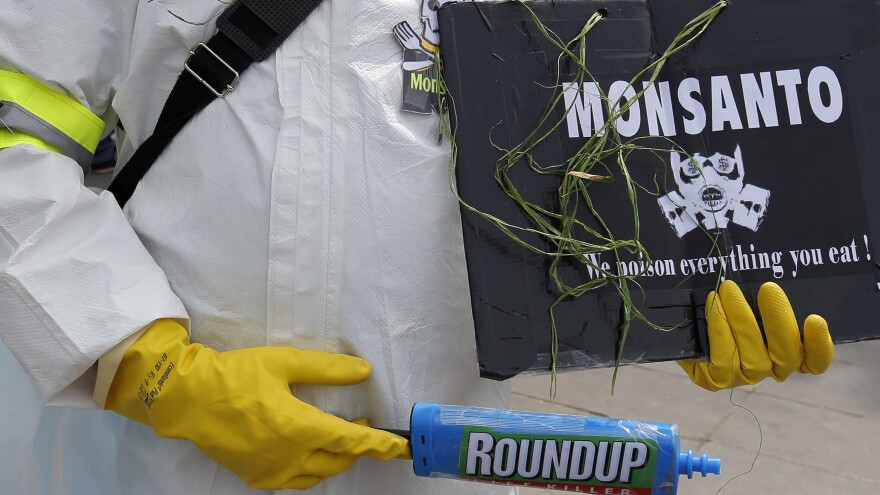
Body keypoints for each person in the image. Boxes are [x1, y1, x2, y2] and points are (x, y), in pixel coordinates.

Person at [0, 1, 834, 494]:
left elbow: (629, 132)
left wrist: (678, 298)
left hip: (444, 461)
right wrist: (138, 359)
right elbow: (14, 136)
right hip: (164, 459)